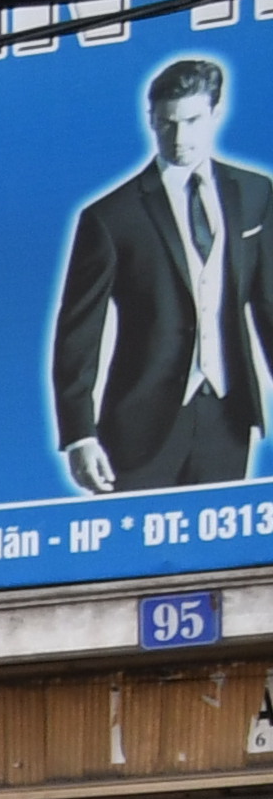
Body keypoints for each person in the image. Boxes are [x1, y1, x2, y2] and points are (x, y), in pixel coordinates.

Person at [55, 51, 273, 493]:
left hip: (228, 416)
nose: (179, 136)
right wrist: (80, 434)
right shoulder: (111, 216)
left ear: (214, 113)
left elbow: (268, 303)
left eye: (192, 120)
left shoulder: (254, 192)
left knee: (225, 560)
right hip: (138, 423)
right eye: (168, 122)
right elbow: (79, 331)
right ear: (150, 119)